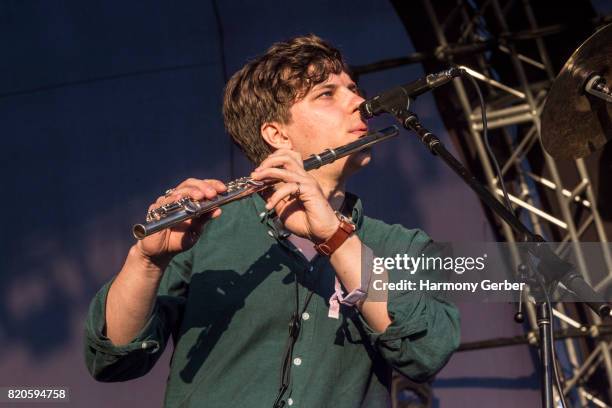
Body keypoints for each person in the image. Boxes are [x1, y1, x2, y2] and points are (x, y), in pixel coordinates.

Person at [84, 34, 460, 408]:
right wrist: (147, 261)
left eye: (353, 88)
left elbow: (426, 351)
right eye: (327, 94)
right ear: (277, 135)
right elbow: (114, 359)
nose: (360, 103)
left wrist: (335, 236)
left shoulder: (403, 245)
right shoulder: (206, 229)